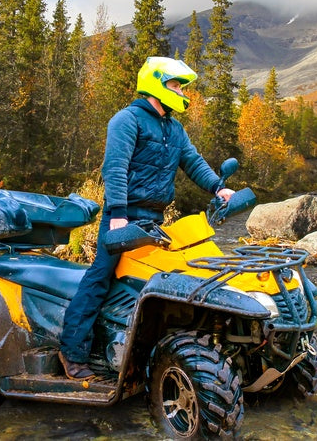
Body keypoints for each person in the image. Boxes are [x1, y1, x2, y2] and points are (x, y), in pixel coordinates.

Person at [58, 56, 234, 380]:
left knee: (162, 279)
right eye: (176, 85)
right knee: (100, 277)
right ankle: (72, 352)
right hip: (122, 215)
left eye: (181, 86)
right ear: (156, 83)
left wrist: (218, 188)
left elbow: (193, 162)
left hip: (154, 218)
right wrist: (119, 217)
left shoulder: (174, 128)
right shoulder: (127, 121)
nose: (181, 91)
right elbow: (115, 168)